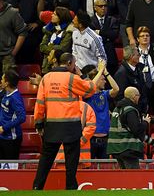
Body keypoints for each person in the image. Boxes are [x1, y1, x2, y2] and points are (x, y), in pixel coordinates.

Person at [32, 53, 103, 190]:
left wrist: (39, 123)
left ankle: (37, 187)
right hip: (71, 127)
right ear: (69, 63)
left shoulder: (46, 78)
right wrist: (81, 74)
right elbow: (91, 89)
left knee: (45, 160)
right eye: (74, 64)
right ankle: (70, 188)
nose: (75, 66)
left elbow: (40, 103)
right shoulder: (72, 78)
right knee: (71, 162)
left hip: (52, 126)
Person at [107, 86, 154, 169]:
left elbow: (128, 130)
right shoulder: (129, 110)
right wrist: (146, 122)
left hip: (116, 149)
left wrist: (152, 142)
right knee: (133, 177)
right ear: (134, 97)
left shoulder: (117, 109)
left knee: (124, 176)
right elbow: (137, 130)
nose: (139, 97)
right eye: (138, 95)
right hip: (127, 148)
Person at [84, 65, 119, 160]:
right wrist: (100, 72)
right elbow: (89, 87)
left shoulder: (104, 94)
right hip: (90, 138)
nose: (105, 81)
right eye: (102, 79)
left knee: (105, 168)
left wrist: (106, 73)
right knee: (89, 167)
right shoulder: (86, 95)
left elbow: (116, 89)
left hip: (105, 139)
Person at [0, 70, 25, 159]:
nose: (1, 81)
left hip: (11, 139)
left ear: (6, 83)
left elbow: (22, 117)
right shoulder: (6, 93)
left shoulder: (15, 98)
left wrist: (4, 127)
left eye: (2, 79)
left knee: (11, 168)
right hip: (3, 137)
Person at [0, 0, 26, 73]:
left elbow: (22, 32)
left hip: (7, 56)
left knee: (8, 83)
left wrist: (13, 52)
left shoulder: (12, 13)